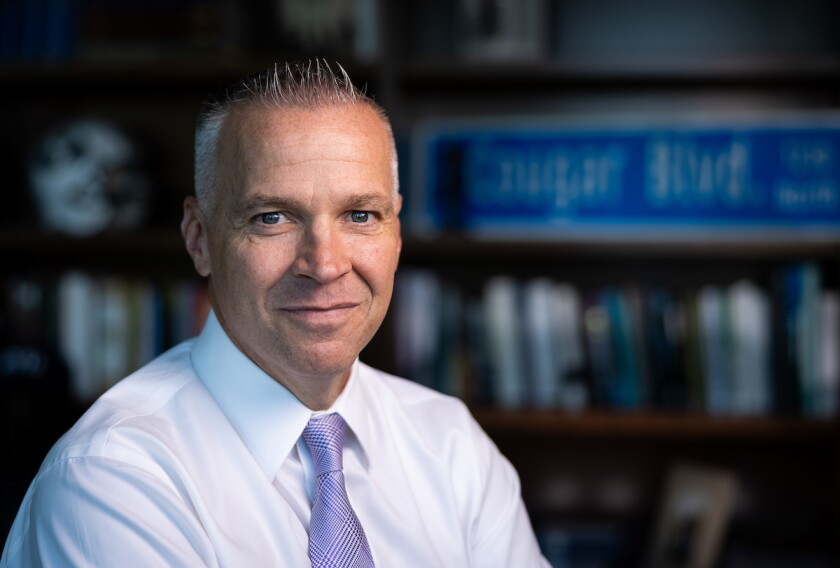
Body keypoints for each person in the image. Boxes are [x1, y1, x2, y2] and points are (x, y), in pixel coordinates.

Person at [1, 62, 548, 567]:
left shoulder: (452, 446)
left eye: (360, 215)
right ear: (200, 239)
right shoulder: (114, 477)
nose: (326, 265)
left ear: (396, 233)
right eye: (272, 218)